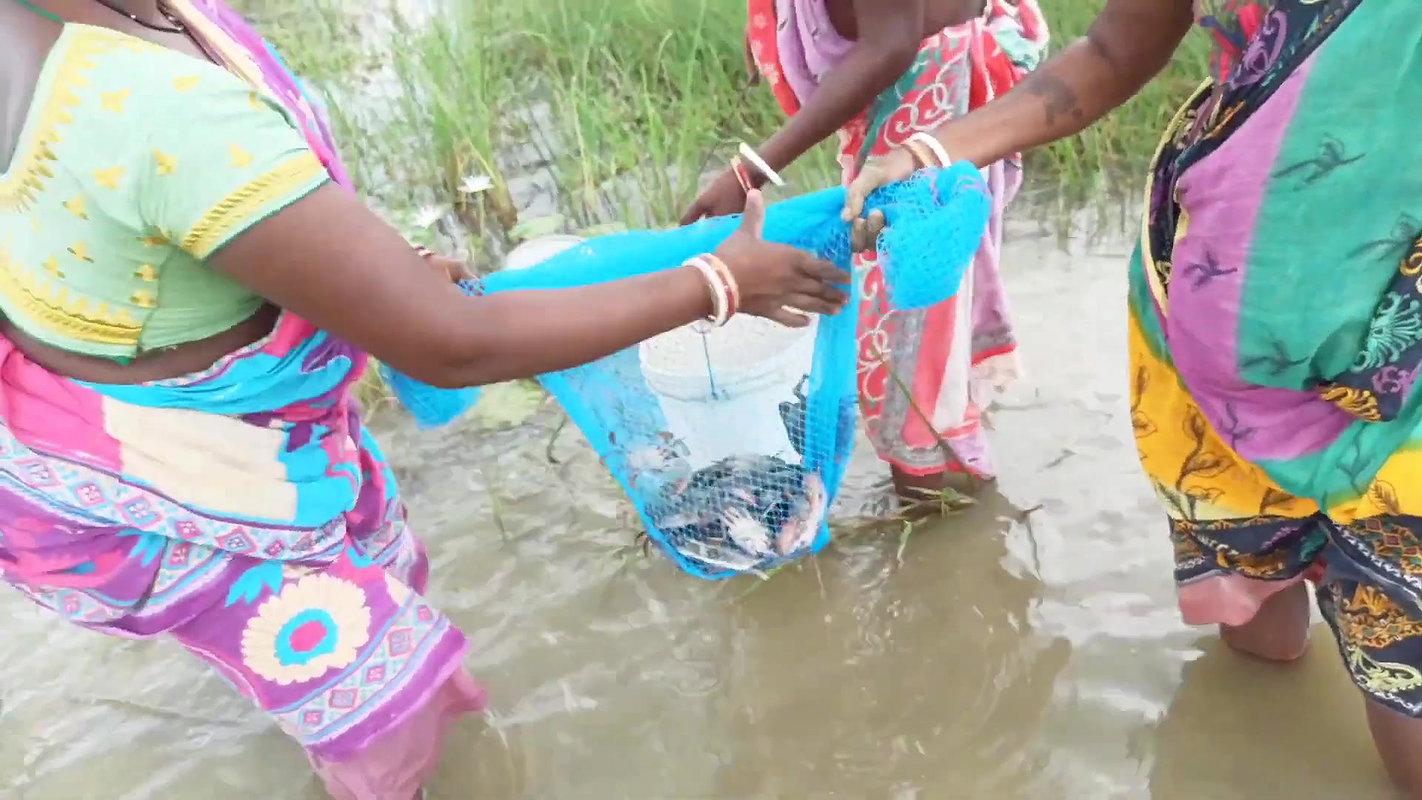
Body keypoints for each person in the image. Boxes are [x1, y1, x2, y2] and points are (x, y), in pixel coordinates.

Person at [0, 1, 851, 798]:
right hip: (175, 482)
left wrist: (368, 268)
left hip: (242, 420)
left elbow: (183, 215)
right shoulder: (150, 108)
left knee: (388, 578)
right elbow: (454, 344)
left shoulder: (128, 26)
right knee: (388, 712)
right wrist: (716, 283)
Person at [843, 0, 1422, 793]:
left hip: (1402, 387)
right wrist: (931, 150)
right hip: (1209, 340)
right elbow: (1115, 47)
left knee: (1407, 689)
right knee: (1257, 641)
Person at [684, 0, 1047, 499]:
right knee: (907, 330)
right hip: (902, 96)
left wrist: (751, 170)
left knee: (904, 334)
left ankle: (933, 522)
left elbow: (889, 46)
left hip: (928, 96)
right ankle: (945, 484)